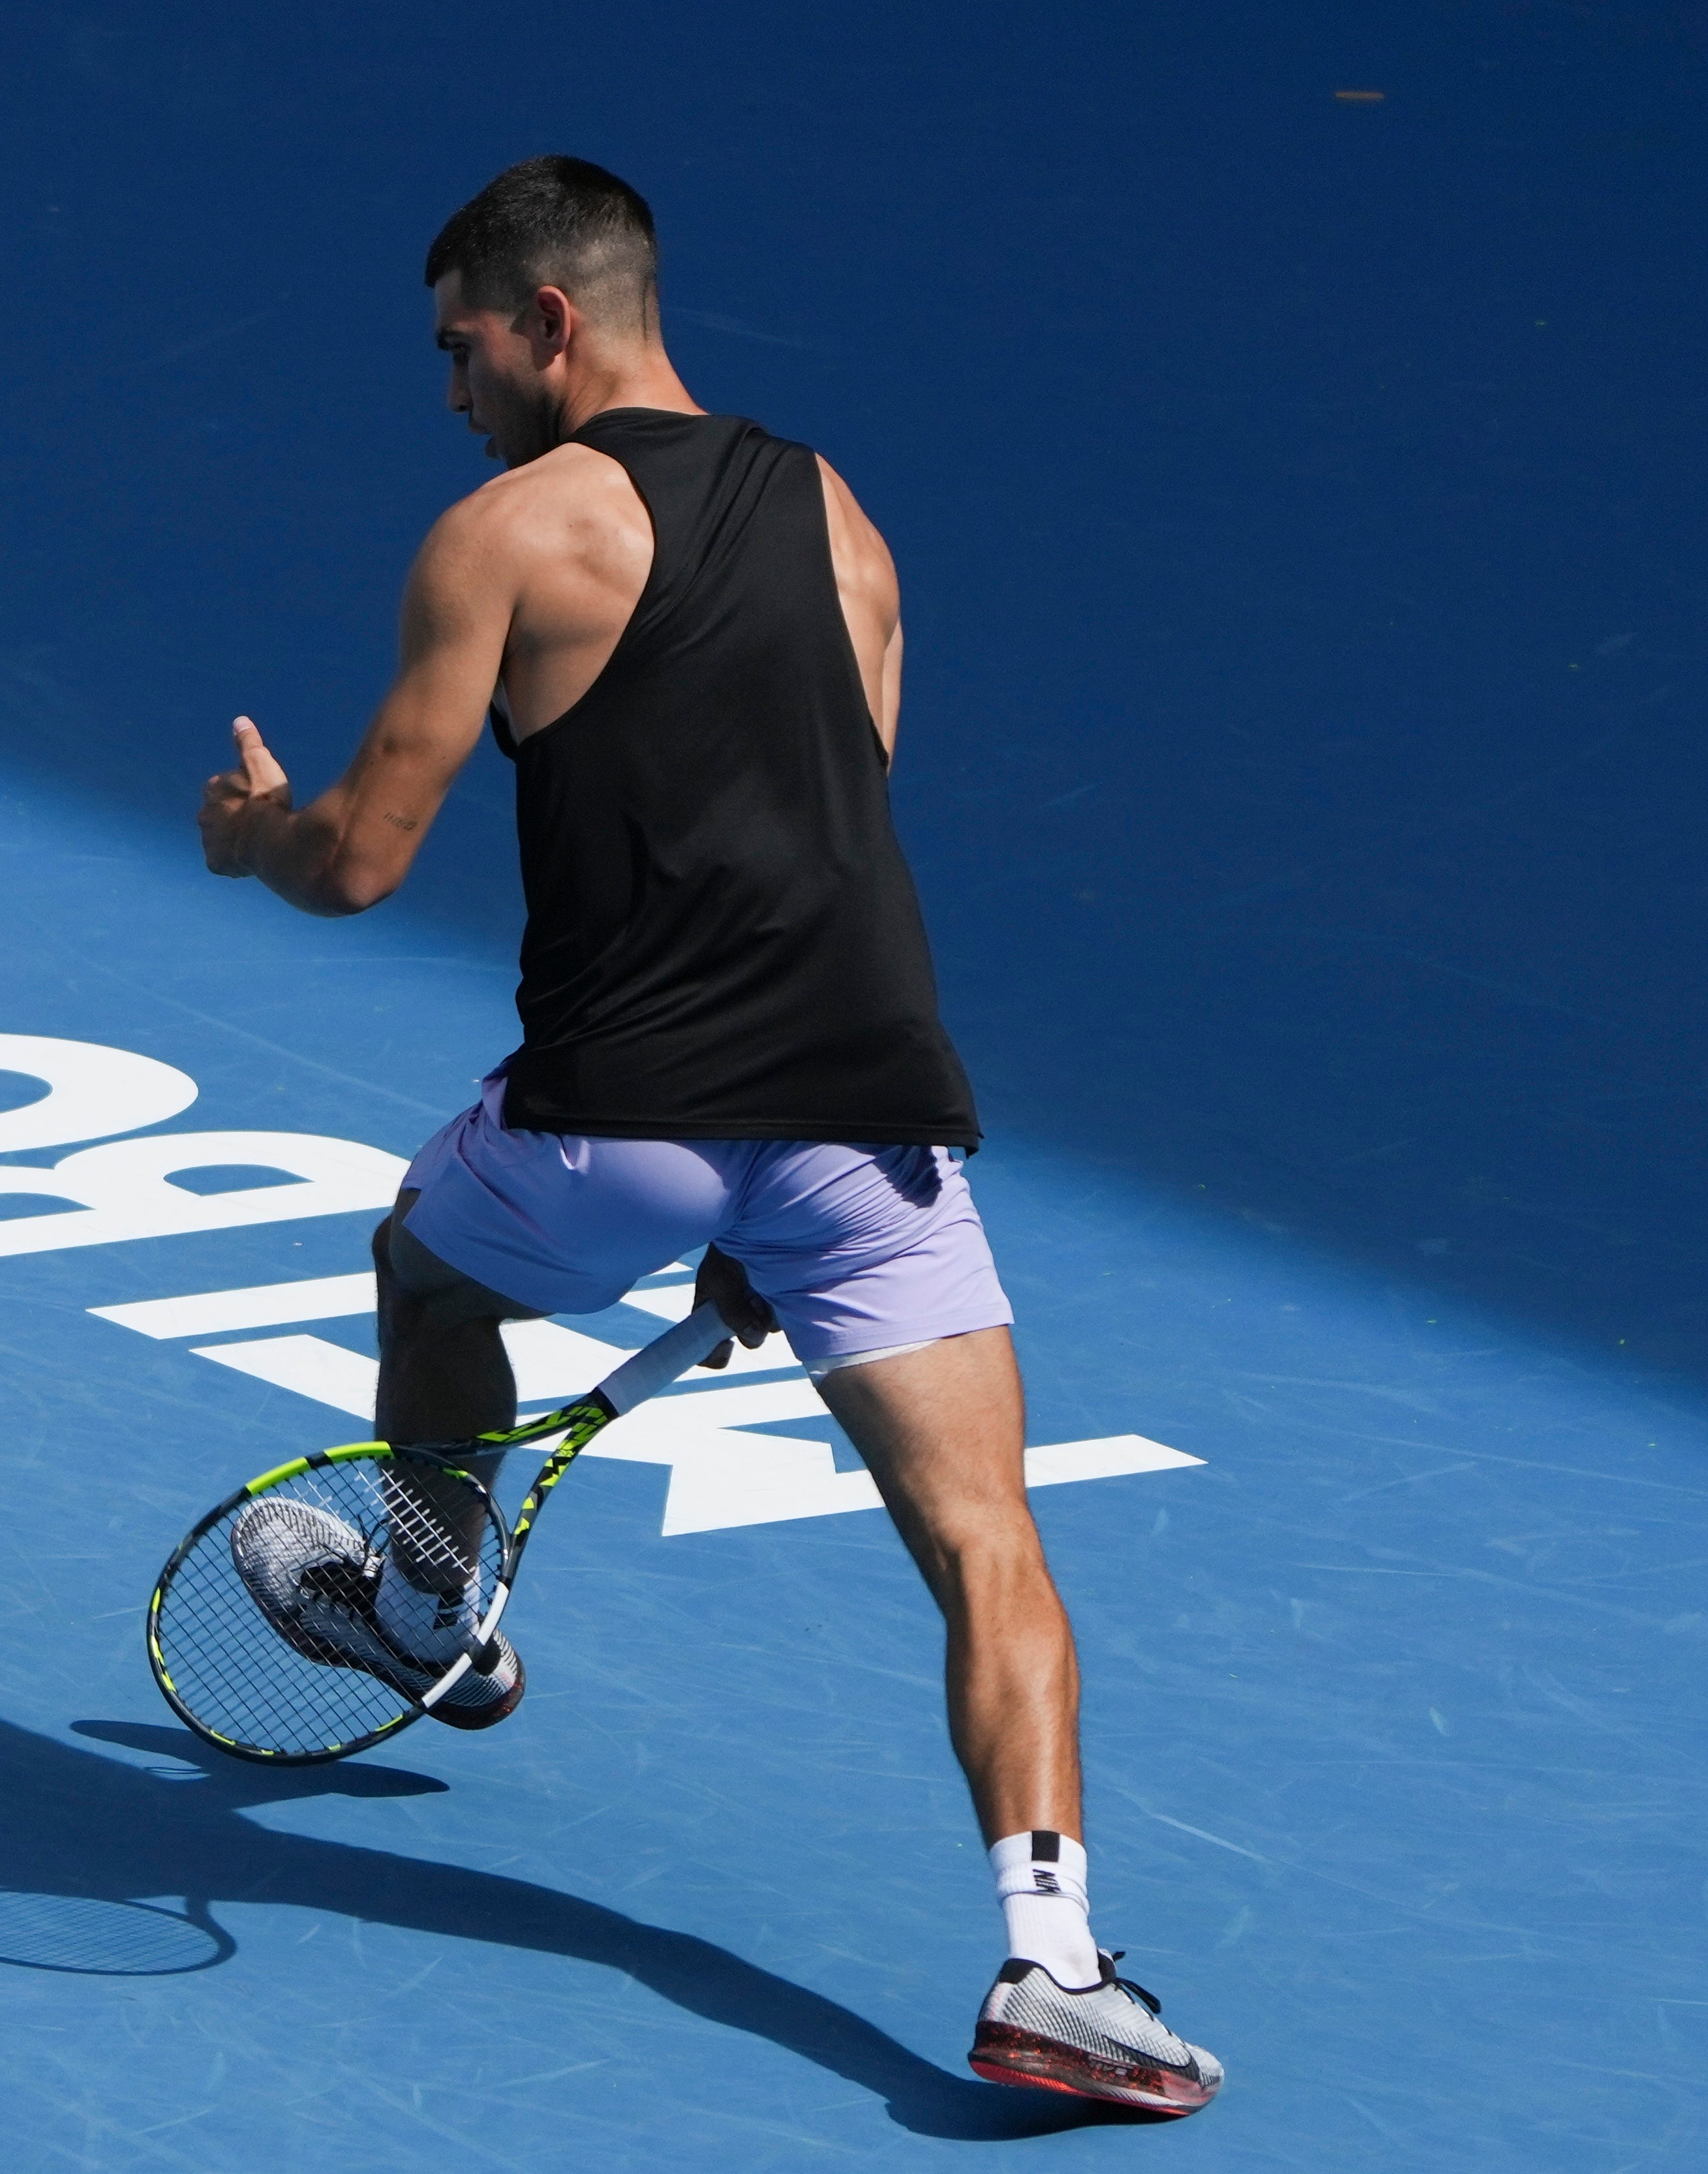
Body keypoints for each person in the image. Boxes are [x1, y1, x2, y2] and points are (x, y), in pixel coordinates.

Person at [192, 154, 1221, 2118]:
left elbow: (363, 860)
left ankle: (424, 1611)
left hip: (621, 1124)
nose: (452, 392)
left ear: (548, 321)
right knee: (985, 1537)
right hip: (864, 1117)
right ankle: (1059, 1968)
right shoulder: (845, 518)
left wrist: (254, 842)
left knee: (428, 1270)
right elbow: (842, 829)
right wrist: (779, 1191)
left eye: (462, 349)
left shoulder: (506, 531)